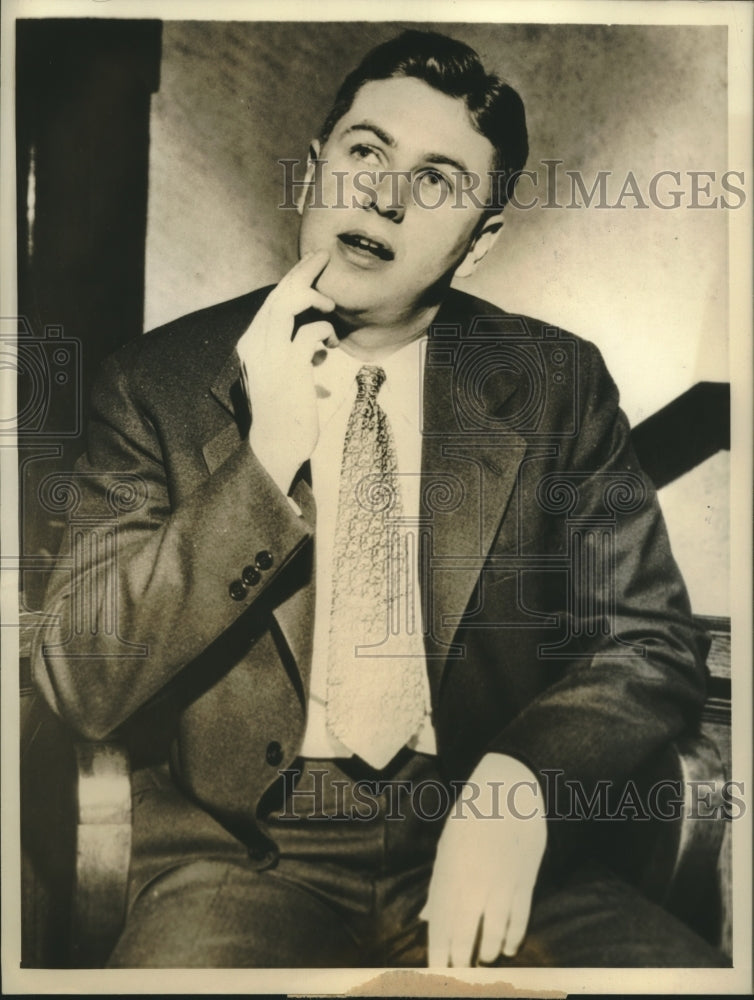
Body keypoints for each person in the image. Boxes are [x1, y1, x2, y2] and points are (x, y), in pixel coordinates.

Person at [32, 29, 728, 968]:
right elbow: (81, 677)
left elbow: (647, 640)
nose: (386, 197)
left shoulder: (554, 384)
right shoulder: (155, 384)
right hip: (240, 866)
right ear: (316, 168)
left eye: (437, 180)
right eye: (366, 152)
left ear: (479, 243)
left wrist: (521, 785)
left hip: (490, 841)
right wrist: (263, 464)